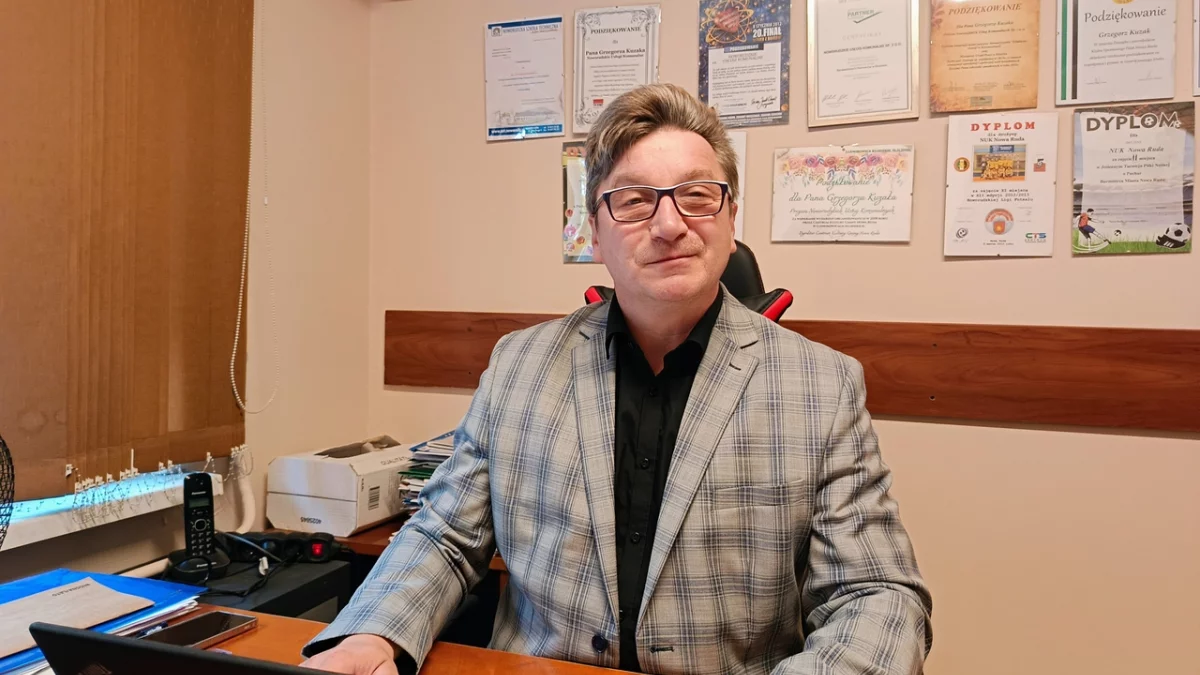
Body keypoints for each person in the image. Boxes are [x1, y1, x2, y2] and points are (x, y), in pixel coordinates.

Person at [300, 83, 932, 675]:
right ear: (595, 234)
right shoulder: (519, 366)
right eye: (633, 201)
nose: (669, 224)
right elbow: (444, 536)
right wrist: (371, 634)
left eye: (696, 195)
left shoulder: (821, 385)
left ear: (730, 219)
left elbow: (876, 593)